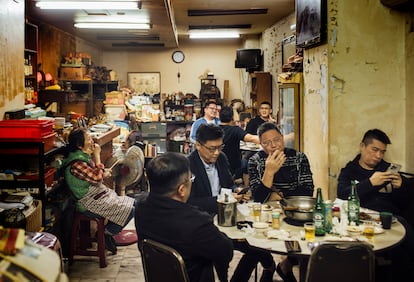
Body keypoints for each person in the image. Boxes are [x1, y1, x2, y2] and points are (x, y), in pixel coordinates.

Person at [188, 123, 276, 282]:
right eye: (211, 148)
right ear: (198, 145)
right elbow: (191, 202)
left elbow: (228, 185)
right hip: (203, 223)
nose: (216, 153)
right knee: (222, 252)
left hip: (228, 217)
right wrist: (221, 201)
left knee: (257, 246)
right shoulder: (188, 165)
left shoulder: (221, 158)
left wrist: (237, 191)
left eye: (220, 147)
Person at [135, 152, 233, 282]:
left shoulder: (140, 207)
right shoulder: (196, 223)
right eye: (190, 179)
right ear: (181, 189)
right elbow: (226, 253)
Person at [337, 128, 414, 281]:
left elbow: (404, 204)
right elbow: (342, 195)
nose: (378, 156)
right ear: (362, 146)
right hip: (361, 222)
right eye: (375, 150)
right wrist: (370, 183)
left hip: (391, 220)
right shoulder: (350, 170)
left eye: (382, 152)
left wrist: (401, 187)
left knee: (405, 238)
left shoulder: (388, 170)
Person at [248, 122, 314, 282]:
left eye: (276, 140)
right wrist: (269, 172)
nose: (273, 146)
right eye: (266, 143)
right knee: (253, 243)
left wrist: (277, 195)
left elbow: (307, 191)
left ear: (283, 139)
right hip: (266, 217)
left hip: (295, 212)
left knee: (311, 238)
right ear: (261, 145)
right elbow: (258, 198)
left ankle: (287, 265)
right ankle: (269, 267)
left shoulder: (298, 158)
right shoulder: (255, 161)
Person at [62, 128, 135, 255]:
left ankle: (107, 233)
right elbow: (96, 178)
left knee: (134, 204)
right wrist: (97, 156)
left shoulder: (83, 158)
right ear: (79, 145)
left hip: (96, 196)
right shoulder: (77, 163)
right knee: (132, 209)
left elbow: (95, 174)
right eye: (89, 139)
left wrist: (103, 171)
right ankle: (107, 233)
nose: (92, 141)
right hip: (87, 203)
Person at [219, 105, 259, 183]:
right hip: (234, 166)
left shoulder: (214, 129)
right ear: (232, 118)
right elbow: (251, 138)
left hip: (218, 165)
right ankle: (247, 188)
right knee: (248, 162)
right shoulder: (235, 130)